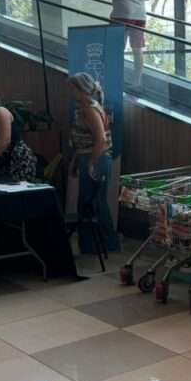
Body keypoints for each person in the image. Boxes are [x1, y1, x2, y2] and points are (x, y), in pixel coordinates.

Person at [68, 73, 119, 254]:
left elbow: (100, 139)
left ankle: (102, 245)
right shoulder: (86, 108)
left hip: (96, 159)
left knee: (93, 204)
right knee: (91, 204)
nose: (71, 93)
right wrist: (76, 161)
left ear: (83, 90)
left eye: (73, 89)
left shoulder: (90, 109)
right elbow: (84, 141)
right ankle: (97, 246)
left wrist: (91, 162)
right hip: (89, 158)